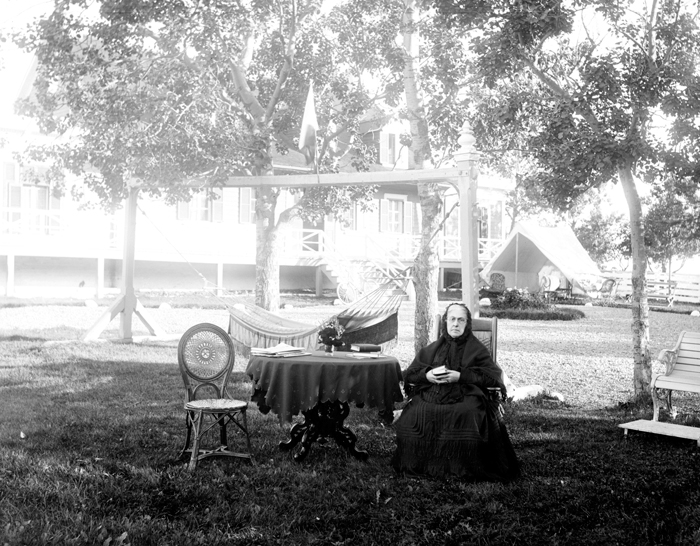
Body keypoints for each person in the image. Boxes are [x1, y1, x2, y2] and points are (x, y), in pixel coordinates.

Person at [392, 302, 520, 481]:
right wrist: (427, 375)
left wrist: (461, 376)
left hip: (467, 394)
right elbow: (410, 374)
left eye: (461, 320)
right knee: (415, 413)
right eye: (452, 319)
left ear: (467, 324)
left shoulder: (477, 350)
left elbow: (493, 379)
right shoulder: (432, 349)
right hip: (433, 392)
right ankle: (421, 465)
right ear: (445, 322)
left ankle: (461, 468)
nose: (456, 324)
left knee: (467, 413)